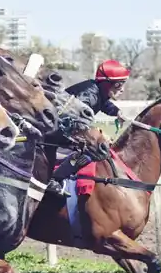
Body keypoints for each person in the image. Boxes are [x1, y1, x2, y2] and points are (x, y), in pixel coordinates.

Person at [46, 59, 130, 196]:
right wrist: (97, 134)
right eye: (119, 84)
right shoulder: (88, 95)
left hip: (63, 129)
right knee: (92, 151)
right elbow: (76, 120)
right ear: (106, 83)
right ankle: (53, 179)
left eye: (123, 83)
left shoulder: (97, 91)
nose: (122, 89)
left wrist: (117, 112)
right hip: (54, 130)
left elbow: (103, 103)